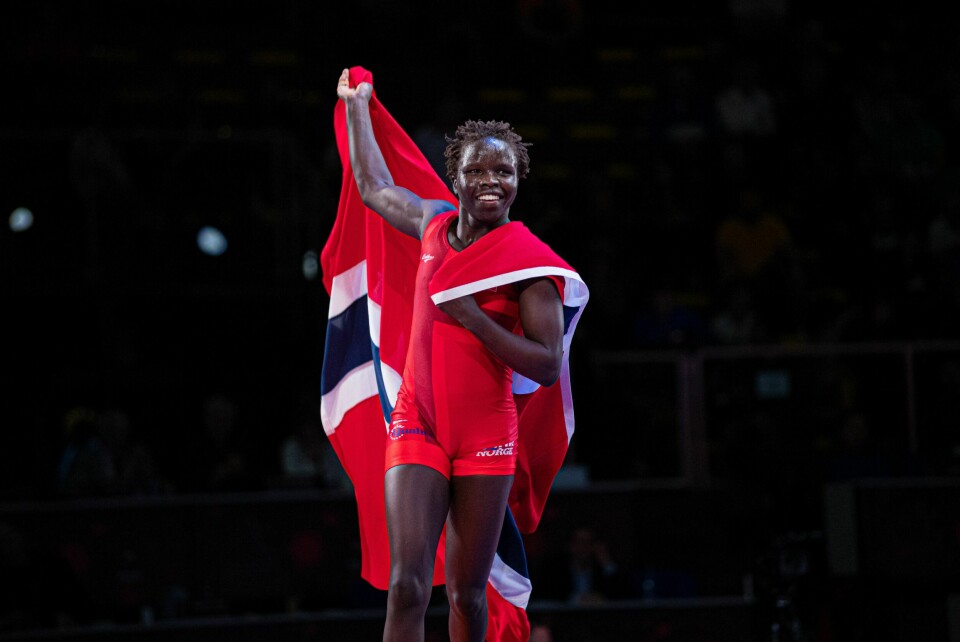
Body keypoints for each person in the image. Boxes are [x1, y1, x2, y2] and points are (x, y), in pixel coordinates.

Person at [335, 68, 586, 642]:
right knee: (408, 588)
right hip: (417, 421)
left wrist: (471, 316)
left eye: (503, 170)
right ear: (456, 178)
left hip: (486, 433)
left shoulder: (529, 266)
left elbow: (547, 364)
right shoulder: (430, 223)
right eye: (476, 170)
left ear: (520, 179)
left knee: (470, 596)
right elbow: (373, 187)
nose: (489, 181)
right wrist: (357, 106)